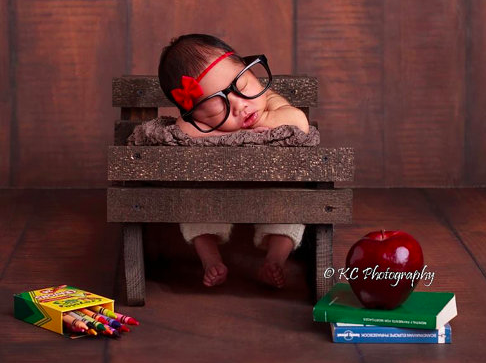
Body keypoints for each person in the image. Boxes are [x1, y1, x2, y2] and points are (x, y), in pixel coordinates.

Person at [158, 34, 309, 288]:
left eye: (242, 86)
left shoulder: (269, 101)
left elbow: (299, 122)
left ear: (250, 72)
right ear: (197, 113)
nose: (240, 106)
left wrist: (256, 124)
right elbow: (182, 128)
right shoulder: (194, 121)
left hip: (270, 188)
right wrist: (236, 134)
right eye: (218, 107)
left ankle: (275, 260)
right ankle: (211, 260)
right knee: (196, 203)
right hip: (219, 188)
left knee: (292, 205)